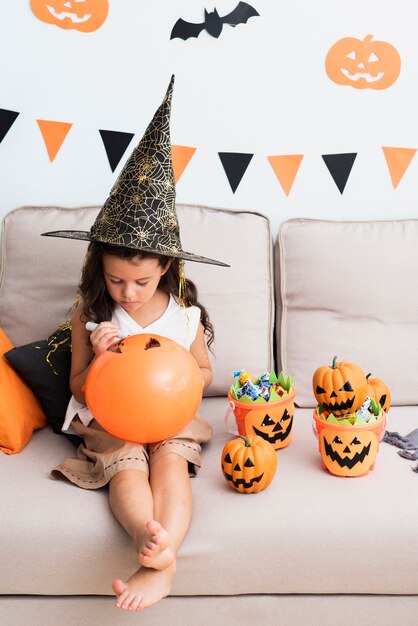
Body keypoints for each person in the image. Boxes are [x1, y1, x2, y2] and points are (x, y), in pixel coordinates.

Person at [42, 75, 228, 611]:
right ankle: (151, 548)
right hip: (112, 420)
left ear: (165, 267)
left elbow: (204, 372)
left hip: (169, 418)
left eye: (141, 282)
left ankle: (158, 564)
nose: (127, 292)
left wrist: (175, 378)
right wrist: (101, 357)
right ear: (101, 269)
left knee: (169, 461)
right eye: (116, 279)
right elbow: (77, 385)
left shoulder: (184, 314)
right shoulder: (90, 313)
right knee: (127, 464)